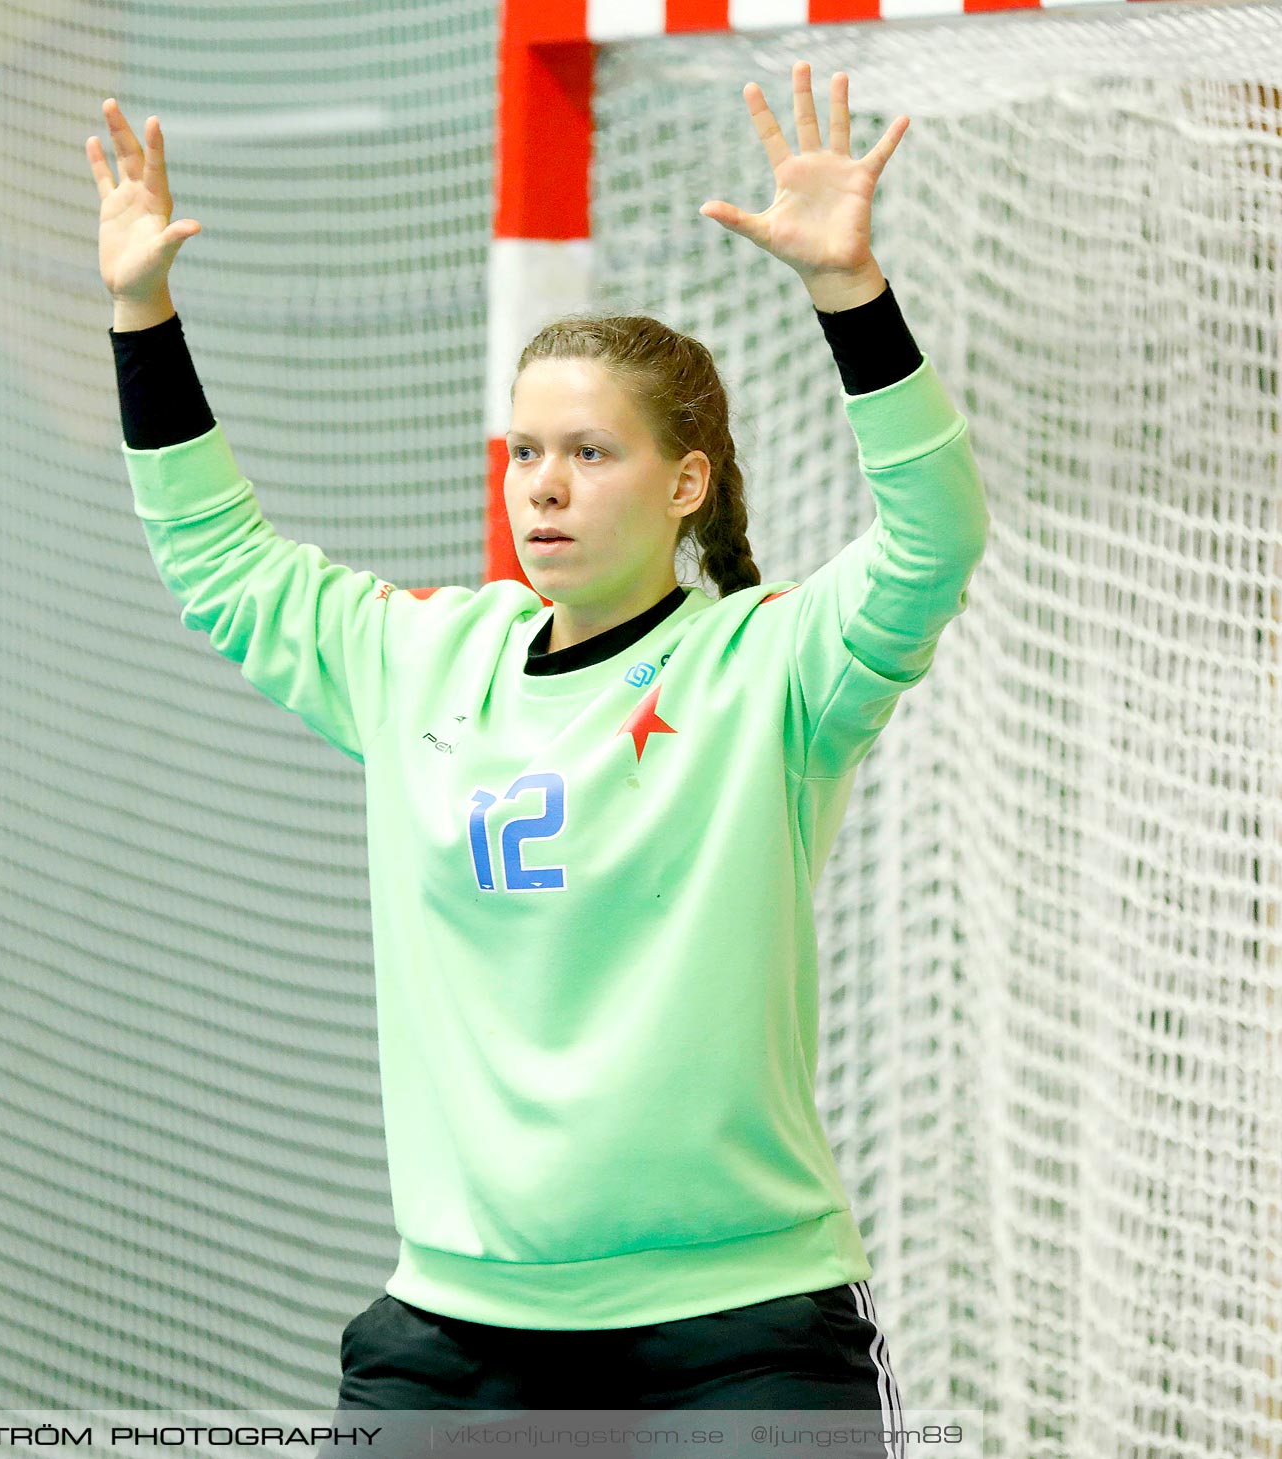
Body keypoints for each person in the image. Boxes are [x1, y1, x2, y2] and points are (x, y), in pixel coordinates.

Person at [91, 58, 984, 1454]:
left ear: (685, 483)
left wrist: (848, 294)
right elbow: (220, 564)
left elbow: (935, 536)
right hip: (455, 1340)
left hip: (741, 1329)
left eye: (588, 451)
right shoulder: (422, 657)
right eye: (524, 452)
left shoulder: (771, 669)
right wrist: (140, 312)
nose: (545, 485)